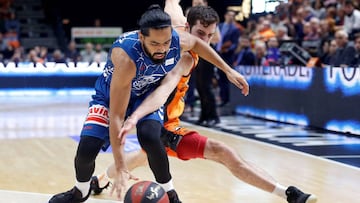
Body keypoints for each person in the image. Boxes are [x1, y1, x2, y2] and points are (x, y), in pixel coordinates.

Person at [90, 2, 317, 203]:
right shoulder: (185, 56)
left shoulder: (178, 28)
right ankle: (287, 193)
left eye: (210, 35)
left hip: (159, 120)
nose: (204, 40)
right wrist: (137, 116)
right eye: (200, 33)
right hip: (160, 123)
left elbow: (173, 8)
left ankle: (98, 180)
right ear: (188, 29)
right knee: (223, 151)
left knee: (143, 155)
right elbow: (163, 92)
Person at [48, 4, 249, 203]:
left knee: (151, 137)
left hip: (144, 95)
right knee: (86, 149)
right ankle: (80, 192)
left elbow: (198, 45)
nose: (162, 49)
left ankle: (170, 193)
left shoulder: (177, 40)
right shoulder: (126, 57)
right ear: (142, 37)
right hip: (110, 97)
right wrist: (120, 166)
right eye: (155, 44)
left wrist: (228, 70)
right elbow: (117, 116)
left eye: (166, 43)